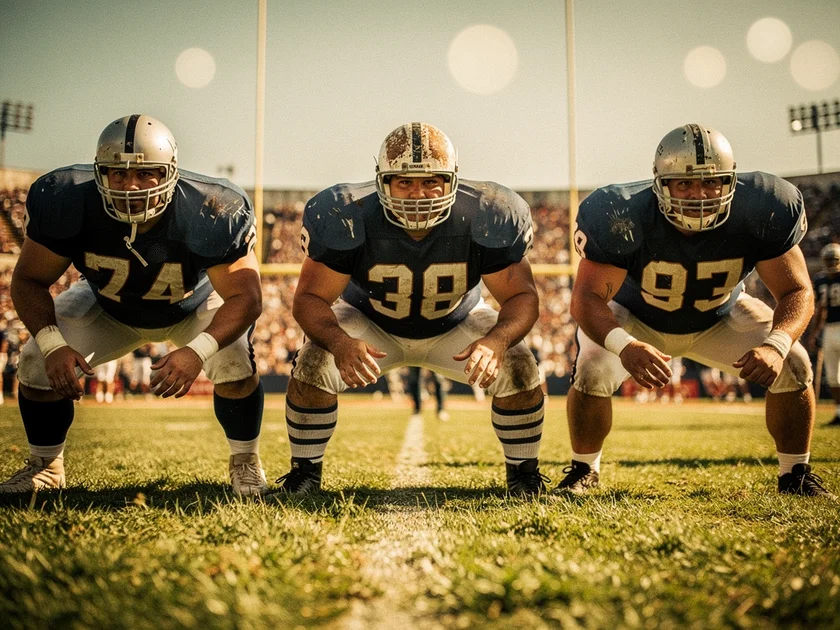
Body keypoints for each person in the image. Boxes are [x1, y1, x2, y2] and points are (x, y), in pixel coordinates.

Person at [556, 123, 832, 498]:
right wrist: (624, 345)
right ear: (660, 185)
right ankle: (584, 470)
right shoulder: (621, 214)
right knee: (592, 366)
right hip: (638, 318)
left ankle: (795, 473)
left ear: (730, 182)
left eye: (710, 183)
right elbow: (586, 298)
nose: (699, 195)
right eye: (684, 184)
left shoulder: (763, 206)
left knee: (794, 361)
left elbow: (797, 290)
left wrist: (776, 345)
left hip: (720, 315)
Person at [0, 114, 266, 497]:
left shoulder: (211, 207)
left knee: (234, 356)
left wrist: (198, 350)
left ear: (170, 172)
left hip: (190, 303)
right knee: (37, 360)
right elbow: (28, 280)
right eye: (117, 174)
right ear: (99, 173)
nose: (131, 186)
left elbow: (247, 297)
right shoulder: (65, 199)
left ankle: (245, 462)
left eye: (147, 174)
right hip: (108, 304)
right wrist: (54, 344)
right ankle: (46, 466)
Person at [276, 122, 546, 496]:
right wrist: (339, 342)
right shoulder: (346, 214)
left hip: (456, 322)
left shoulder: (488, 213)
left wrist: (497, 340)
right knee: (313, 360)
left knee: (518, 362)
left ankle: (524, 475)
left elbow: (522, 297)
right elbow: (309, 299)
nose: (418, 194)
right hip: (371, 324)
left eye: (430, 181)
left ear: (452, 180)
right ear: (382, 182)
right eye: (404, 182)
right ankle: (304, 473)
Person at [806, 243, 840, 426]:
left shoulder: (821, 281)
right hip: (829, 329)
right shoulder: (820, 281)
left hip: (834, 329)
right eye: (829, 260)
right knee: (834, 376)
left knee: (835, 374)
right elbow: (820, 310)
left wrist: (814, 332)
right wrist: (815, 333)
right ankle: (839, 412)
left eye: (834, 260)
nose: (831, 263)